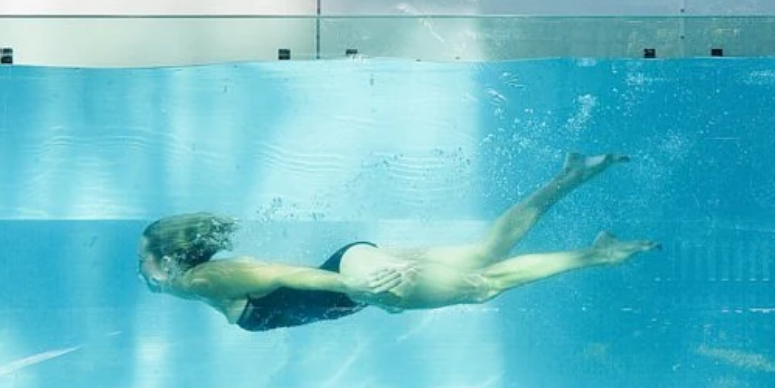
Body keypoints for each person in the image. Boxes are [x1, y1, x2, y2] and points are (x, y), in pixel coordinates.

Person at [137, 152, 658, 331]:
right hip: (352, 278)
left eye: (146, 262)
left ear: (167, 260)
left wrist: (354, 286)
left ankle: (601, 254)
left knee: (482, 283)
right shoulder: (195, 284)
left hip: (355, 279)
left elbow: (280, 274)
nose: (142, 273)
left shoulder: (198, 280)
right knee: (483, 257)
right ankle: (571, 175)